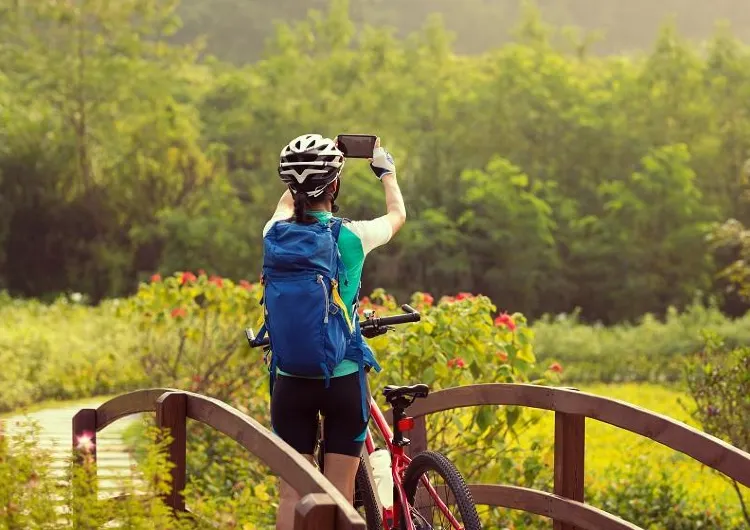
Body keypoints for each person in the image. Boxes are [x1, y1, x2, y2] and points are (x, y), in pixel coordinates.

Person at [262, 133, 406, 529]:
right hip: (341, 378)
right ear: (336, 185)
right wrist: (386, 172)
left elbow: (288, 202)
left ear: (290, 185)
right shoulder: (353, 236)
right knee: (339, 491)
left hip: (290, 378)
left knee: (293, 491)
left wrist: (305, 176)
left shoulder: (272, 233)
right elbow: (397, 216)